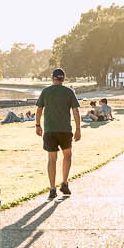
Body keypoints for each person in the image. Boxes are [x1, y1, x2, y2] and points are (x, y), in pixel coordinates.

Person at [36, 67, 82, 198]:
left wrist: (38, 125)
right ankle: (65, 183)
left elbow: (39, 110)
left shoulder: (46, 91)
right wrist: (78, 129)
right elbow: (76, 111)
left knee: (52, 159)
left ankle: (52, 188)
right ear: (64, 79)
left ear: (52, 78)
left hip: (50, 130)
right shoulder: (69, 92)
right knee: (67, 155)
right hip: (65, 131)